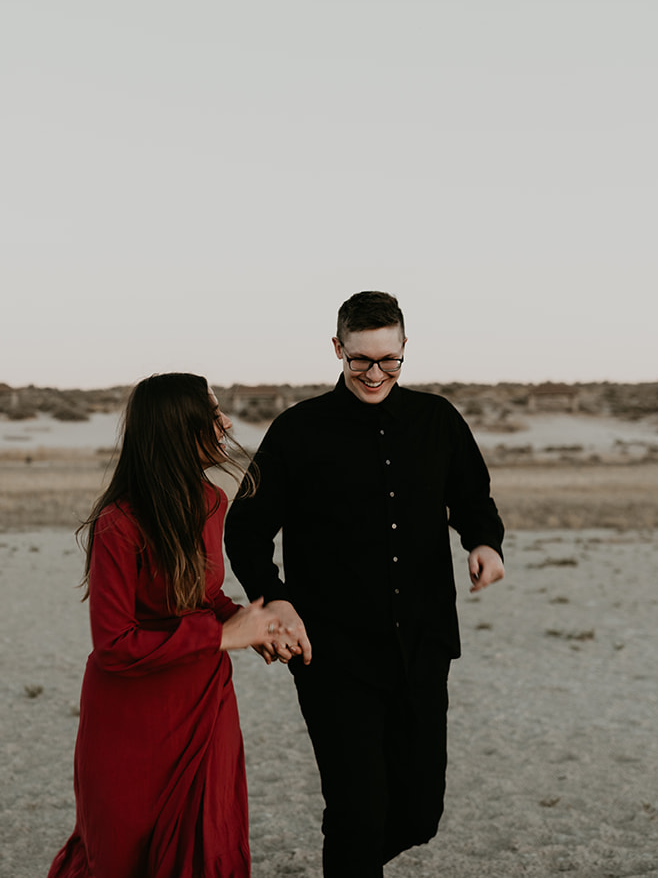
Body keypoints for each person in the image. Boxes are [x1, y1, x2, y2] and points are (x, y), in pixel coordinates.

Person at [224, 291, 506, 877]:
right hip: (333, 655)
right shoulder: (298, 430)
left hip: (423, 646)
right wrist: (275, 598)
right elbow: (246, 528)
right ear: (337, 349)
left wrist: (483, 542)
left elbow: (472, 497)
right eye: (360, 361)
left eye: (388, 360)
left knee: (420, 813)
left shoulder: (438, 420)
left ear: (404, 349)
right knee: (356, 810)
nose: (375, 374)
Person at [49, 372, 282, 878]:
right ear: (180, 428)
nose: (225, 424)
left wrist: (250, 623)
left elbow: (206, 595)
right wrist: (222, 635)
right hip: (129, 718)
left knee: (207, 844)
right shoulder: (119, 522)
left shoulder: (212, 502)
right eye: (213, 414)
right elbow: (114, 644)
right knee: (120, 852)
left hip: (204, 702)